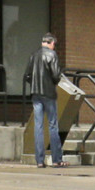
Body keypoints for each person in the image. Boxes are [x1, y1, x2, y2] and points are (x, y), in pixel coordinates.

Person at [24, 32, 66, 167]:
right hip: (49, 94)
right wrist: (55, 81)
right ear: (52, 43)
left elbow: (28, 75)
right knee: (53, 125)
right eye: (55, 44)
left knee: (39, 126)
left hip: (36, 94)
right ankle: (56, 159)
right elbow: (55, 75)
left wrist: (34, 85)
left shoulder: (33, 55)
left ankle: (40, 161)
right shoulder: (52, 55)